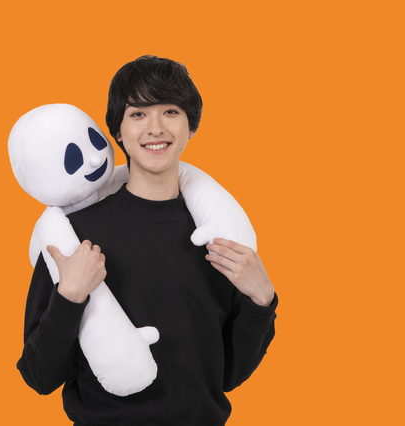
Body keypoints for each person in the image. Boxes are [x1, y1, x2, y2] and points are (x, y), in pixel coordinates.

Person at [17, 55, 278, 425]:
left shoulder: (218, 233)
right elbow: (39, 376)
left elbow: (228, 375)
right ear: (117, 131)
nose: (155, 128)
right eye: (138, 113)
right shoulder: (73, 236)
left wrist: (262, 301)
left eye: (170, 111)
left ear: (191, 126)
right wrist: (69, 297)